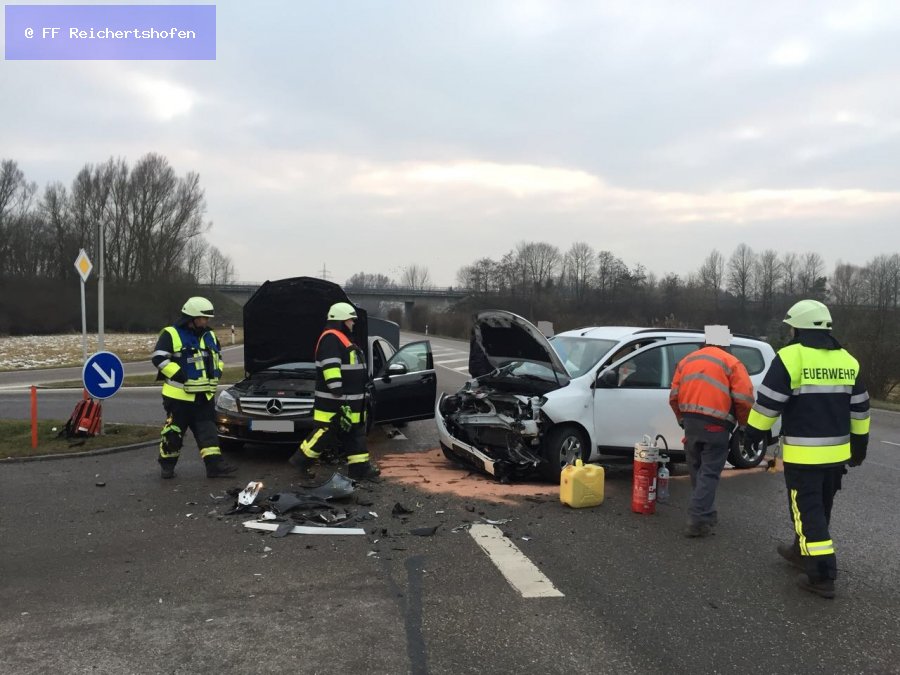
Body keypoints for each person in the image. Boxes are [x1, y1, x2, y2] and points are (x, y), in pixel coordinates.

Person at [745, 300, 869, 598]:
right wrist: (859, 446)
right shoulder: (848, 361)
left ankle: (822, 574)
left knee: (806, 511)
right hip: (836, 455)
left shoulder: (790, 357)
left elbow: (768, 403)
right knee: (820, 508)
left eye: (791, 328)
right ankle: (803, 552)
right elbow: (860, 410)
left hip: (805, 456)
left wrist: (753, 433)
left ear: (798, 328)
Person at [669, 325, 754, 537]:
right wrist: (743, 425)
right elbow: (744, 398)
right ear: (726, 342)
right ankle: (698, 518)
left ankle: (705, 513)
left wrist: (682, 419)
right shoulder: (731, 362)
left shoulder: (686, 361)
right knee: (709, 472)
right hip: (716, 424)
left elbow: (673, 396)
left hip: (690, 422)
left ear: (706, 341)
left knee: (697, 469)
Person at [289, 301, 380, 480]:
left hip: (350, 402)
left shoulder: (341, 338)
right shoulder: (331, 338)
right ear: (341, 320)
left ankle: (360, 469)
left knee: (356, 434)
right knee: (324, 434)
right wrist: (336, 388)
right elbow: (330, 365)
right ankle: (300, 461)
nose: (353, 324)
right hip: (335, 402)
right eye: (350, 320)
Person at [151, 296, 235, 479]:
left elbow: (217, 359)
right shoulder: (171, 334)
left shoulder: (210, 335)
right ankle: (167, 465)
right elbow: (159, 358)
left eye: (207, 319)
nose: (206, 322)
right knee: (173, 434)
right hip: (178, 397)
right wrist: (179, 374)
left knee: (209, 434)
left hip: (204, 396)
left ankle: (215, 467)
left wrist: (218, 372)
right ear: (191, 318)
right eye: (203, 318)